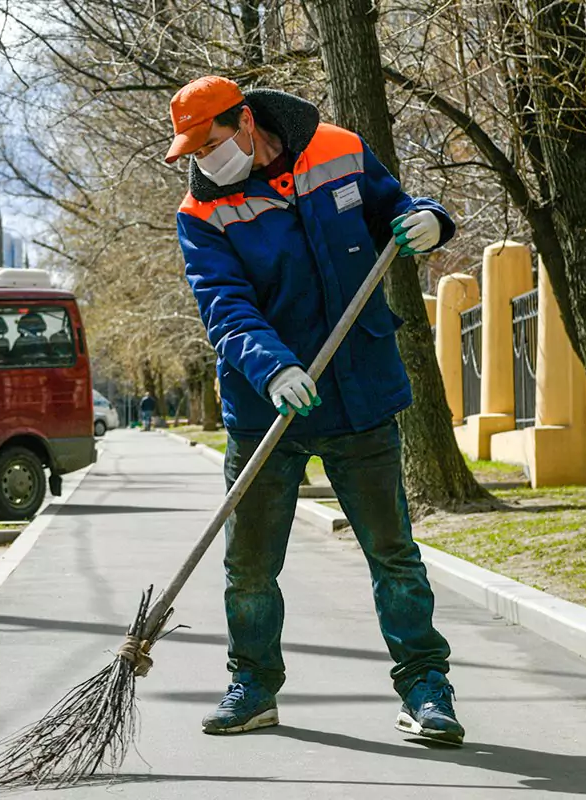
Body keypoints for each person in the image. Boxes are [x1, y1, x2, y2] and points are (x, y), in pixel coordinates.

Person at [167, 76, 463, 743]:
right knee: (249, 563)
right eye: (191, 148)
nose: (202, 159)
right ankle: (253, 685)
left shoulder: (339, 149)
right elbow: (225, 305)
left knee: (393, 553)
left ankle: (425, 686)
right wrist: (273, 367)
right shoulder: (201, 213)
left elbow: (398, 208)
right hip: (266, 405)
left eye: (210, 142)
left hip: (358, 388)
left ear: (243, 122)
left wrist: (431, 220)